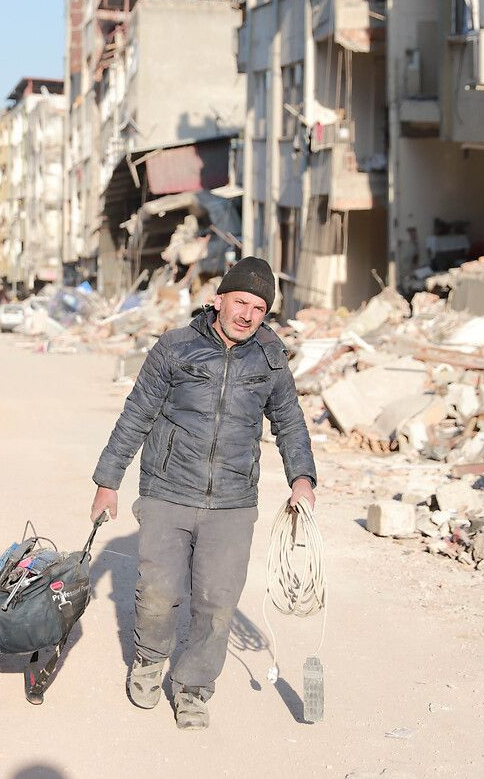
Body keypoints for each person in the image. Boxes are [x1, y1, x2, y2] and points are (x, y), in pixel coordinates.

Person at [88, 256, 316, 730]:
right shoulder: (175, 348)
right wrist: (108, 480)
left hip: (232, 502)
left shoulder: (271, 359)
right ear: (218, 300)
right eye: (240, 302)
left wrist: (302, 479)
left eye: (258, 307)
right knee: (157, 593)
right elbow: (136, 415)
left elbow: (290, 422)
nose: (248, 314)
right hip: (168, 491)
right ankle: (150, 661)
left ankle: (193, 687)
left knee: (217, 604)